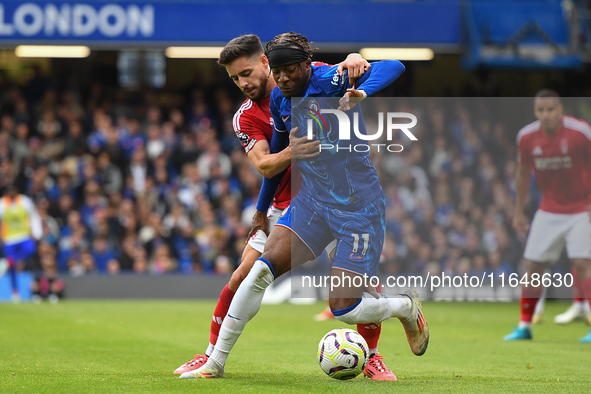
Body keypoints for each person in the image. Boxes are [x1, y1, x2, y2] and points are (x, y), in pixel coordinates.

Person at [182, 32, 428, 380]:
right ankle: (215, 362)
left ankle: (403, 307)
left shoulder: (329, 79)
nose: (282, 79)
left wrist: (363, 90)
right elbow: (276, 162)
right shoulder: (281, 101)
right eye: (278, 73)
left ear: (305, 66)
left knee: (344, 307)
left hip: (357, 207)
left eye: (288, 71)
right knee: (257, 272)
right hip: (311, 202)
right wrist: (261, 209)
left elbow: (394, 65)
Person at [504, 90, 591, 343]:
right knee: (533, 266)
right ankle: (524, 326)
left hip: (581, 207)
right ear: (535, 112)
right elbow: (523, 173)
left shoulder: (580, 132)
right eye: (541, 111)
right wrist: (518, 210)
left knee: (582, 262)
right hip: (549, 208)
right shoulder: (527, 137)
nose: (546, 115)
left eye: (551, 110)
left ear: (560, 109)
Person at [0, 184, 43, 301]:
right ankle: (15, 292)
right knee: (12, 268)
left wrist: (37, 233)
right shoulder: (2, 204)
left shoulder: (25, 201)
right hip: (9, 239)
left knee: (31, 250)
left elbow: (34, 216)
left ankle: (8, 261)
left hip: (24, 236)